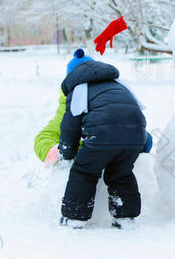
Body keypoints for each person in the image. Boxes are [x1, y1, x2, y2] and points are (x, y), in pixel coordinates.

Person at [55, 49, 149, 229]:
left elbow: (70, 126)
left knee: (84, 171)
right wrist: (143, 143)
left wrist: (67, 153)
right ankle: (125, 217)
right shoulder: (119, 85)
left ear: (72, 75)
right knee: (122, 173)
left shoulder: (80, 89)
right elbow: (133, 114)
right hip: (134, 136)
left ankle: (75, 217)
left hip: (101, 136)